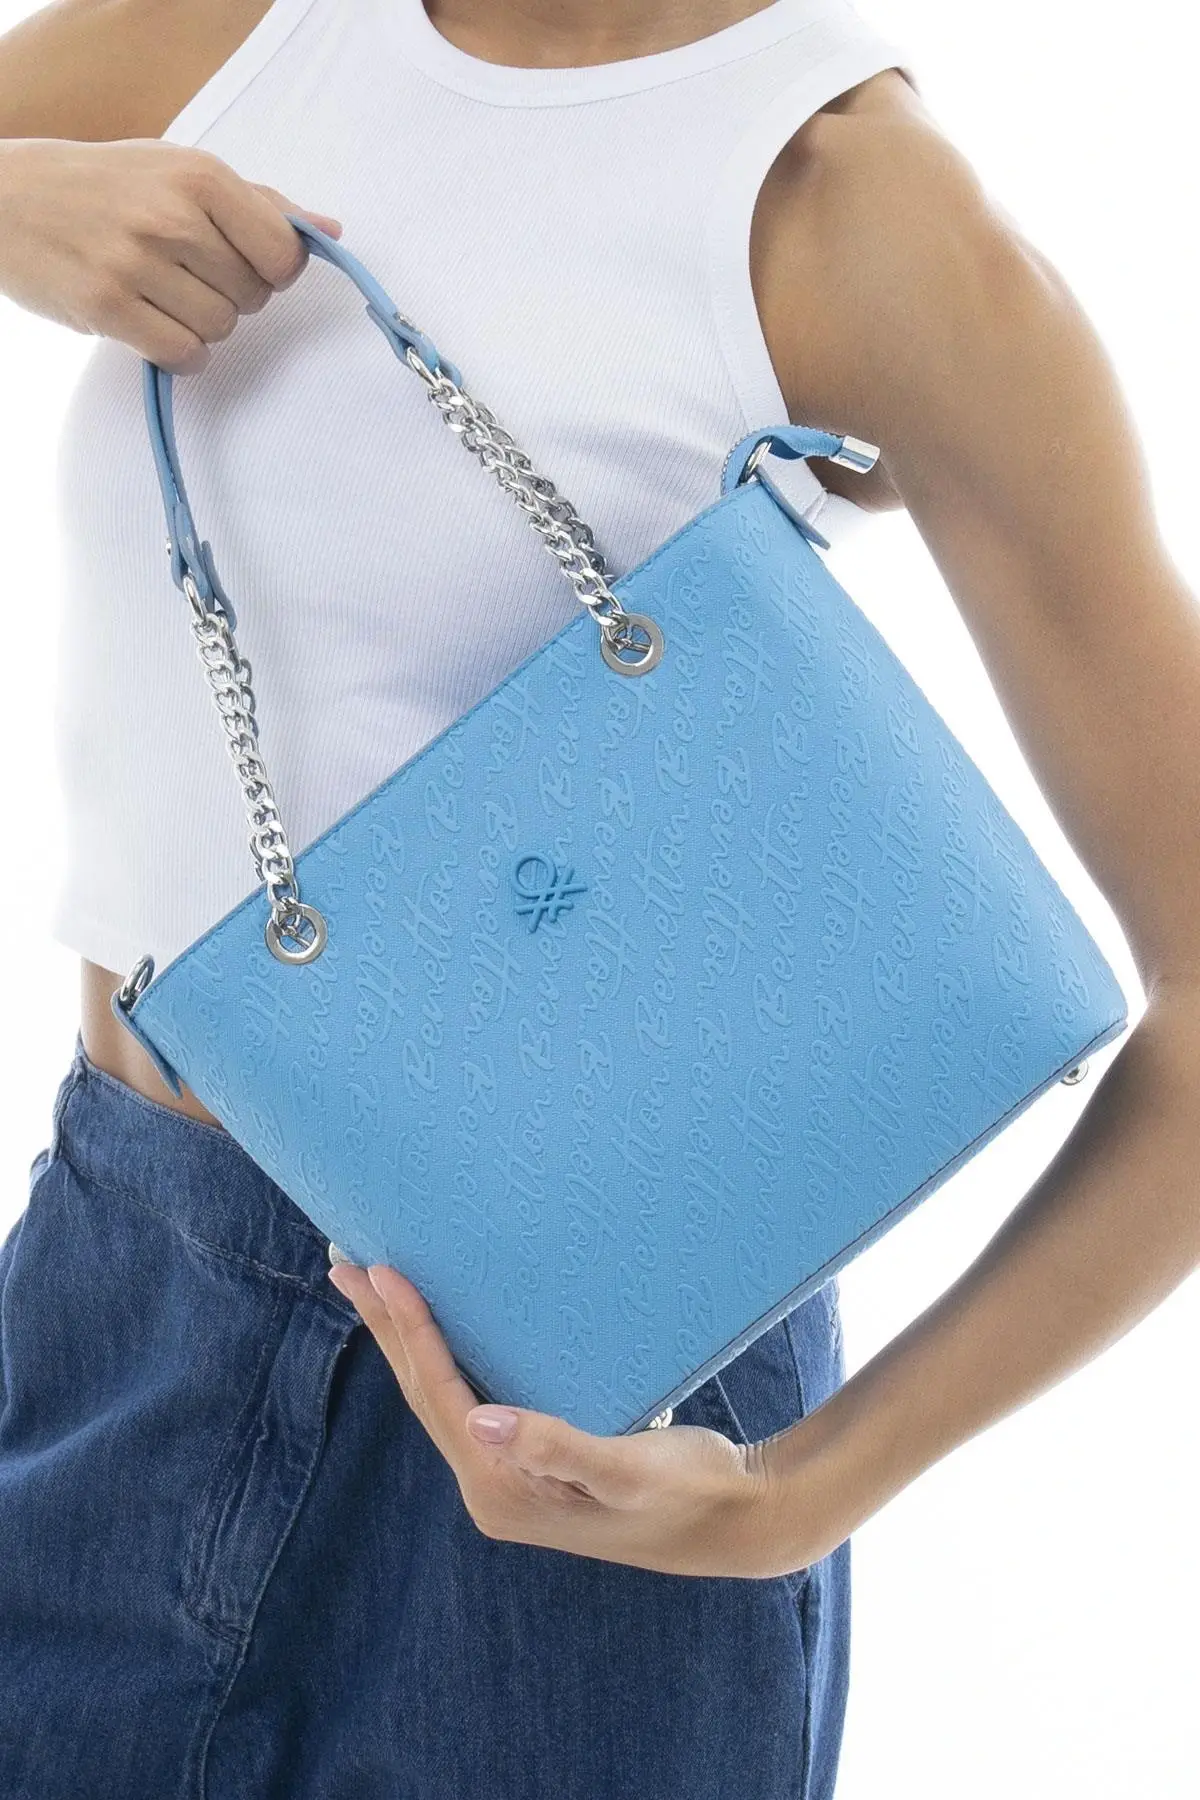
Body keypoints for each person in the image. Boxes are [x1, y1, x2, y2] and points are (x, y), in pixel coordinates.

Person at [2, 2, 1200, 1797]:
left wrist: (803, 1495)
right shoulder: (245, 32)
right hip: (121, 1295)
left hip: (599, 1424)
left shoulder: (849, 205)